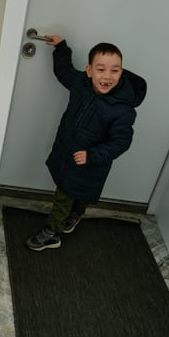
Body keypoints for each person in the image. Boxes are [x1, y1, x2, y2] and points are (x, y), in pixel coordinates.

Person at [26, 35, 147, 251]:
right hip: (67, 151)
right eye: (101, 69)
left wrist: (92, 155)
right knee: (66, 190)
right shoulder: (81, 83)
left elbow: (121, 142)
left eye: (115, 70)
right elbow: (64, 72)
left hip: (92, 163)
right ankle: (70, 217)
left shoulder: (123, 109)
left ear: (121, 72)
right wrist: (61, 47)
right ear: (90, 70)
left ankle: (54, 231)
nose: (107, 76)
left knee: (72, 194)